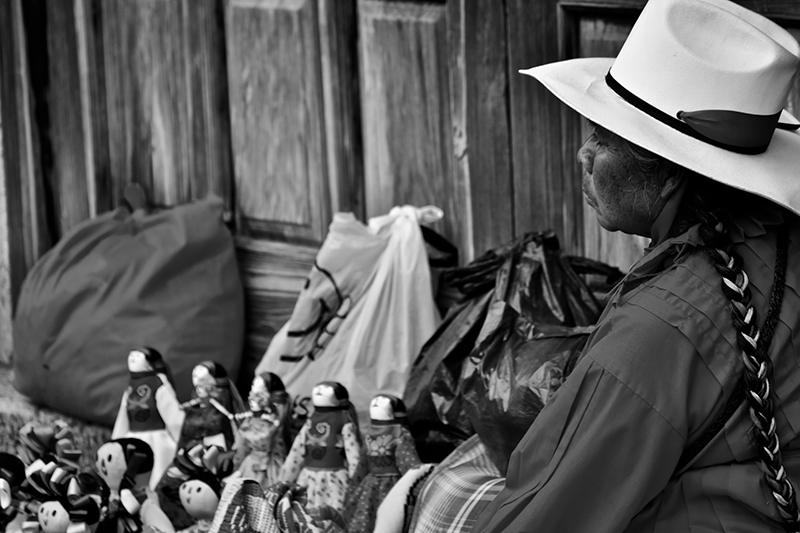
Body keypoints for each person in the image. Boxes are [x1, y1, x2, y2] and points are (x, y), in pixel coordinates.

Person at [473, 0, 800, 531]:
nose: (583, 153)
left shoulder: (655, 333)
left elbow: (548, 517)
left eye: (603, 138)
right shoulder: (774, 241)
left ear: (671, 173)